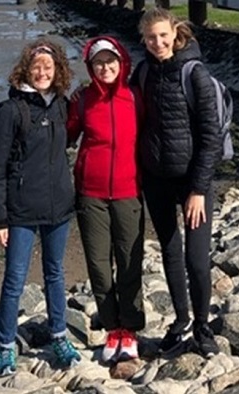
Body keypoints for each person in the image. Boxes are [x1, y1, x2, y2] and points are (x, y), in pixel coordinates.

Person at [0, 38, 80, 377]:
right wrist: (0, 219)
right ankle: (5, 347)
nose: (42, 72)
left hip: (59, 208)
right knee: (15, 280)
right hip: (21, 211)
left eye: (48, 67)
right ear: (26, 69)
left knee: (55, 274)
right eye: (36, 66)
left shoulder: (62, 106)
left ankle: (59, 336)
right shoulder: (11, 111)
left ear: (58, 72)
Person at [130, 7, 222, 358]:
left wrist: (198, 190)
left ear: (175, 32)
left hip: (191, 182)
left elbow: (210, 136)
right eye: (151, 37)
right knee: (170, 252)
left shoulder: (193, 73)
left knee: (197, 258)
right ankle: (181, 320)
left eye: (163, 35)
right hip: (156, 179)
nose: (158, 43)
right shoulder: (142, 73)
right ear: (144, 38)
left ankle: (202, 325)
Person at [66, 36, 145, 364]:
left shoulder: (135, 98)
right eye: (99, 62)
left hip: (129, 192)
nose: (106, 67)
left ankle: (131, 327)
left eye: (111, 60)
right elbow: (63, 136)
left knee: (129, 261)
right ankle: (112, 327)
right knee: (99, 265)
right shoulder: (82, 100)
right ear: (91, 67)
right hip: (91, 194)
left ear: (122, 62)